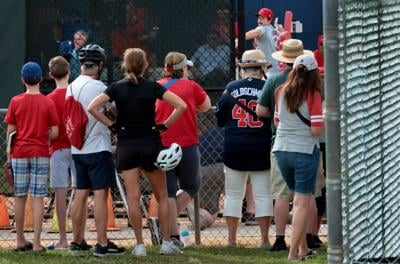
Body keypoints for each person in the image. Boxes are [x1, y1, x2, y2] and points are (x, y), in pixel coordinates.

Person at [88, 47, 187, 256]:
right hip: (151, 143)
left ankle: (140, 245)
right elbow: (181, 105)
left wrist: (111, 125)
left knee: (133, 197)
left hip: (126, 145)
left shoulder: (116, 87)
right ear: (145, 65)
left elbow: (92, 107)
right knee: (161, 195)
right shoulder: (152, 87)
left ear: (124, 65)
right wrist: (165, 125)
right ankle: (166, 242)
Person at [66, 44, 125, 257]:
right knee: (101, 193)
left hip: (77, 147)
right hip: (98, 146)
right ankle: (101, 242)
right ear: (99, 65)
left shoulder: (70, 87)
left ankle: (77, 240)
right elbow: (114, 111)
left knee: (80, 193)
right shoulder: (99, 86)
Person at [256, 39, 313, 251]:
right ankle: (308, 238)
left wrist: (281, 116)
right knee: (307, 195)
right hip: (307, 142)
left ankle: (279, 239)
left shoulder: (274, 81)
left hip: (279, 141)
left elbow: (261, 111)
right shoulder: (311, 83)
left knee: (281, 195)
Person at [215, 49, 273, 248]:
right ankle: (265, 240)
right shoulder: (268, 87)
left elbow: (220, 119)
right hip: (261, 146)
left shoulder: (231, 87)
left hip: (235, 146)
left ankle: (231, 240)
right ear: (262, 68)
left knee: (233, 194)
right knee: (264, 194)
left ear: (243, 68)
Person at [155, 51, 211, 248]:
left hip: (162, 144)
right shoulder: (190, 86)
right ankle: (168, 228)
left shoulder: (158, 86)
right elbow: (206, 107)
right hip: (186, 144)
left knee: (168, 192)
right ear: (183, 69)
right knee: (191, 186)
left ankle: (168, 232)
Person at [272, 54, 324, 261]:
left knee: (300, 198)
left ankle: (302, 248)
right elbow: (317, 130)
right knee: (302, 203)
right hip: (304, 151)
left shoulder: (280, 91)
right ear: (313, 74)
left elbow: (277, 122)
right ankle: (293, 253)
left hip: (281, 150)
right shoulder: (314, 94)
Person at [5, 62, 59, 252]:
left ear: (22, 80)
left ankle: (20, 239)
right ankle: (36, 242)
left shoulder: (16, 101)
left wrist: (8, 156)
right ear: (41, 79)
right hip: (41, 152)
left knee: (20, 197)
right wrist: (44, 138)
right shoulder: (48, 102)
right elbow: (54, 131)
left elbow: (10, 131)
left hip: (19, 152)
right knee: (38, 198)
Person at [46, 56, 76, 250]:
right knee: (81, 191)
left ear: (50, 75)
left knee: (60, 192)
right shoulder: (76, 93)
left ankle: (63, 239)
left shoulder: (49, 99)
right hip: (78, 147)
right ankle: (79, 237)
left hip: (57, 148)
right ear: (69, 72)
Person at [245, 8, 282, 77]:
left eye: (262, 18)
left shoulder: (263, 28)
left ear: (270, 20)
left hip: (268, 72)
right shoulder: (277, 31)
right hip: (279, 69)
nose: (259, 21)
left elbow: (256, 32)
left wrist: (239, 39)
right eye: (259, 18)